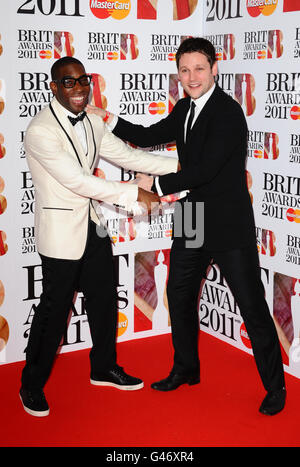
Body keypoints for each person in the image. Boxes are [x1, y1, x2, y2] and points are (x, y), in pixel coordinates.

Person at [87, 37, 286, 416]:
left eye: (199, 68)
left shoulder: (228, 113)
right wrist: (108, 118)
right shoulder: (184, 107)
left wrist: (153, 187)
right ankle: (186, 368)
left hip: (227, 226)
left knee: (252, 306)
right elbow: (149, 136)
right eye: (184, 70)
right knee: (178, 295)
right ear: (178, 75)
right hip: (193, 218)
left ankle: (274, 386)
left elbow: (205, 170)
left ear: (214, 69)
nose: (191, 77)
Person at [20, 56, 179, 417]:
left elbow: (128, 155)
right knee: (53, 312)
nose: (78, 88)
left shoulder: (92, 120)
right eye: (69, 82)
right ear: (54, 87)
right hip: (61, 232)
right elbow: (77, 181)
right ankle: (30, 385)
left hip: (92, 225)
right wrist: (134, 194)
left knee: (104, 299)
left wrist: (183, 165)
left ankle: (103, 367)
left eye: (82, 80)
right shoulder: (41, 130)